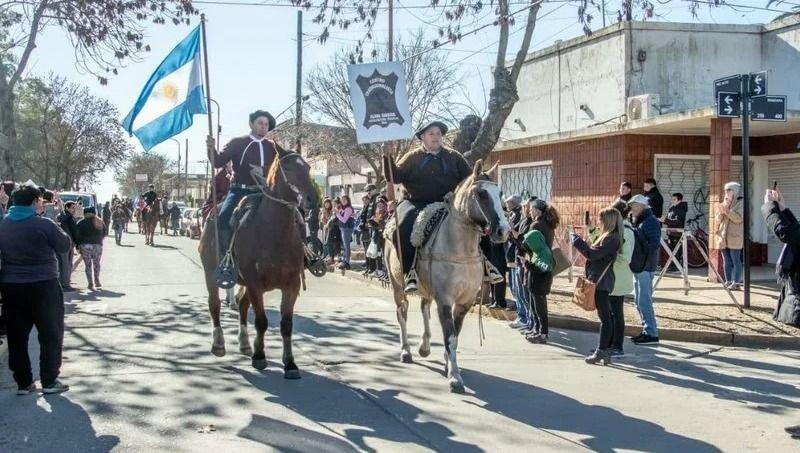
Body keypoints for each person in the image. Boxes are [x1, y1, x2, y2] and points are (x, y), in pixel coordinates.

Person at [383, 121, 478, 293]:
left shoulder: (454, 156)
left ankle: (487, 268)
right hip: (416, 203)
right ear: (422, 138)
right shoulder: (412, 157)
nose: (436, 137)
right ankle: (409, 273)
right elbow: (394, 176)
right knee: (401, 229)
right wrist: (387, 157)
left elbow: (470, 178)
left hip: (447, 203)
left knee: (479, 224)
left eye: (438, 133)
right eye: (431, 133)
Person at [0, 182, 72, 394]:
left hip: (12, 287)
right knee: (51, 333)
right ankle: (49, 381)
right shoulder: (44, 224)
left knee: (17, 336)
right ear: (34, 202)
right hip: (45, 285)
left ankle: (24, 383)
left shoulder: (3, 225)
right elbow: (64, 245)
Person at [208, 110, 282, 266]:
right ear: (251, 124)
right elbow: (218, 162)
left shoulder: (272, 147)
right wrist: (211, 149)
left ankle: (304, 253)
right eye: (260, 123)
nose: (263, 127)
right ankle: (225, 256)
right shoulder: (237, 142)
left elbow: (281, 167)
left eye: (266, 124)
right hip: (239, 191)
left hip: (265, 192)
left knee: (292, 214)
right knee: (223, 217)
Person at [571, 207, 623, 365]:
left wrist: (577, 241)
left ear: (607, 221)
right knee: (605, 316)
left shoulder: (611, 238)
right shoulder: (607, 236)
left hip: (602, 281)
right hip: (599, 279)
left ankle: (602, 350)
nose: (598, 222)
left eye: (601, 220)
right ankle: (603, 350)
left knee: (605, 317)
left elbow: (592, 254)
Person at [522, 199, 560, 344]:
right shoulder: (548, 224)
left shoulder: (536, 225)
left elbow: (525, 246)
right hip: (545, 266)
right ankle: (538, 330)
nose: (529, 211)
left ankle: (542, 332)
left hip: (537, 265)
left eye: (531, 209)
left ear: (537, 210)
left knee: (538, 303)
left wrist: (514, 235)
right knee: (539, 301)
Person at [628, 194, 661, 345]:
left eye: (634, 206)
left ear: (641, 206)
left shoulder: (650, 222)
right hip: (640, 266)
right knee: (638, 300)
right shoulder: (640, 221)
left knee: (644, 300)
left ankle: (652, 333)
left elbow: (653, 244)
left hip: (645, 266)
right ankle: (646, 330)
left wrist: (637, 235)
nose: (632, 209)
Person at [609, 200, 635, 356]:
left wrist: (608, 257)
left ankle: (617, 346)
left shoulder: (626, 231)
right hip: (612, 278)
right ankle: (608, 344)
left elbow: (626, 258)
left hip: (619, 278)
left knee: (616, 313)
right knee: (609, 313)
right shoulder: (615, 229)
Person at [716, 181, 744, 290]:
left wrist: (727, 211)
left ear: (735, 191)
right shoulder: (725, 202)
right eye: (725, 190)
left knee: (736, 260)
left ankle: (736, 283)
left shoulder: (741, 202)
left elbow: (738, 219)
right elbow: (719, 219)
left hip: (735, 236)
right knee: (726, 261)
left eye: (729, 190)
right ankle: (728, 281)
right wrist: (721, 212)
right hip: (723, 236)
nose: (726, 193)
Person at [505, 195, 528, 329]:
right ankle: (521, 315)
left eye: (509, 202)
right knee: (515, 287)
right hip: (513, 255)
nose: (507, 204)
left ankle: (523, 316)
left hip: (518, 256)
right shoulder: (513, 215)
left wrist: (510, 231)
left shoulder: (519, 217)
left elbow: (518, 238)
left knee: (519, 289)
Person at [76, 206, 106, 290]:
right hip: (97, 245)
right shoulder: (100, 222)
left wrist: (77, 246)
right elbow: (104, 234)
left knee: (88, 265)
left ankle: (90, 282)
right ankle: (97, 279)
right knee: (97, 264)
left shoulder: (80, 222)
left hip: (85, 245)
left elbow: (77, 235)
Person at [57, 201, 79, 292]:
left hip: (68, 243)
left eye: (75, 208)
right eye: (72, 208)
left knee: (65, 264)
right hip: (66, 243)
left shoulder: (69, 217)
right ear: (67, 208)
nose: (74, 210)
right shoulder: (65, 217)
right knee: (65, 264)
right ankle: (65, 285)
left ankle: (65, 283)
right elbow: (74, 232)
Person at [664, 192, 687, 272]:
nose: (672, 201)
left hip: (677, 234)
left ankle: (677, 267)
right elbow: (669, 218)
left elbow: (677, 222)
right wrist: (664, 220)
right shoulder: (672, 208)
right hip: (671, 233)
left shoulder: (681, 210)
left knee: (676, 251)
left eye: (674, 199)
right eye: (672, 199)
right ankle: (672, 266)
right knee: (671, 250)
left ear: (679, 200)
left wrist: (666, 220)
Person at [359, 184, 379, 274]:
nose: (368, 192)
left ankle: (374, 269)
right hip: (369, 228)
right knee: (369, 250)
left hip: (375, 228)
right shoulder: (371, 200)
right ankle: (370, 268)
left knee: (374, 249)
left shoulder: (377, 199)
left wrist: (372, 222)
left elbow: (377, 214)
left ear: (374, 190)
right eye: (367, 191)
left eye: (369, 190)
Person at [336, 195, 356, 270]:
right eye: (342, 199)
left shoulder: (348, 208)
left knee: (346, 246)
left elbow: (344, 220)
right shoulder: (343, 208)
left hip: (347, 228)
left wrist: (337, 213)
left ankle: (347, 262)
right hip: (343, 228)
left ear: (348, 200)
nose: (343, 201)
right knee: (344, 246)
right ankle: (344, 261)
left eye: (345, 199)